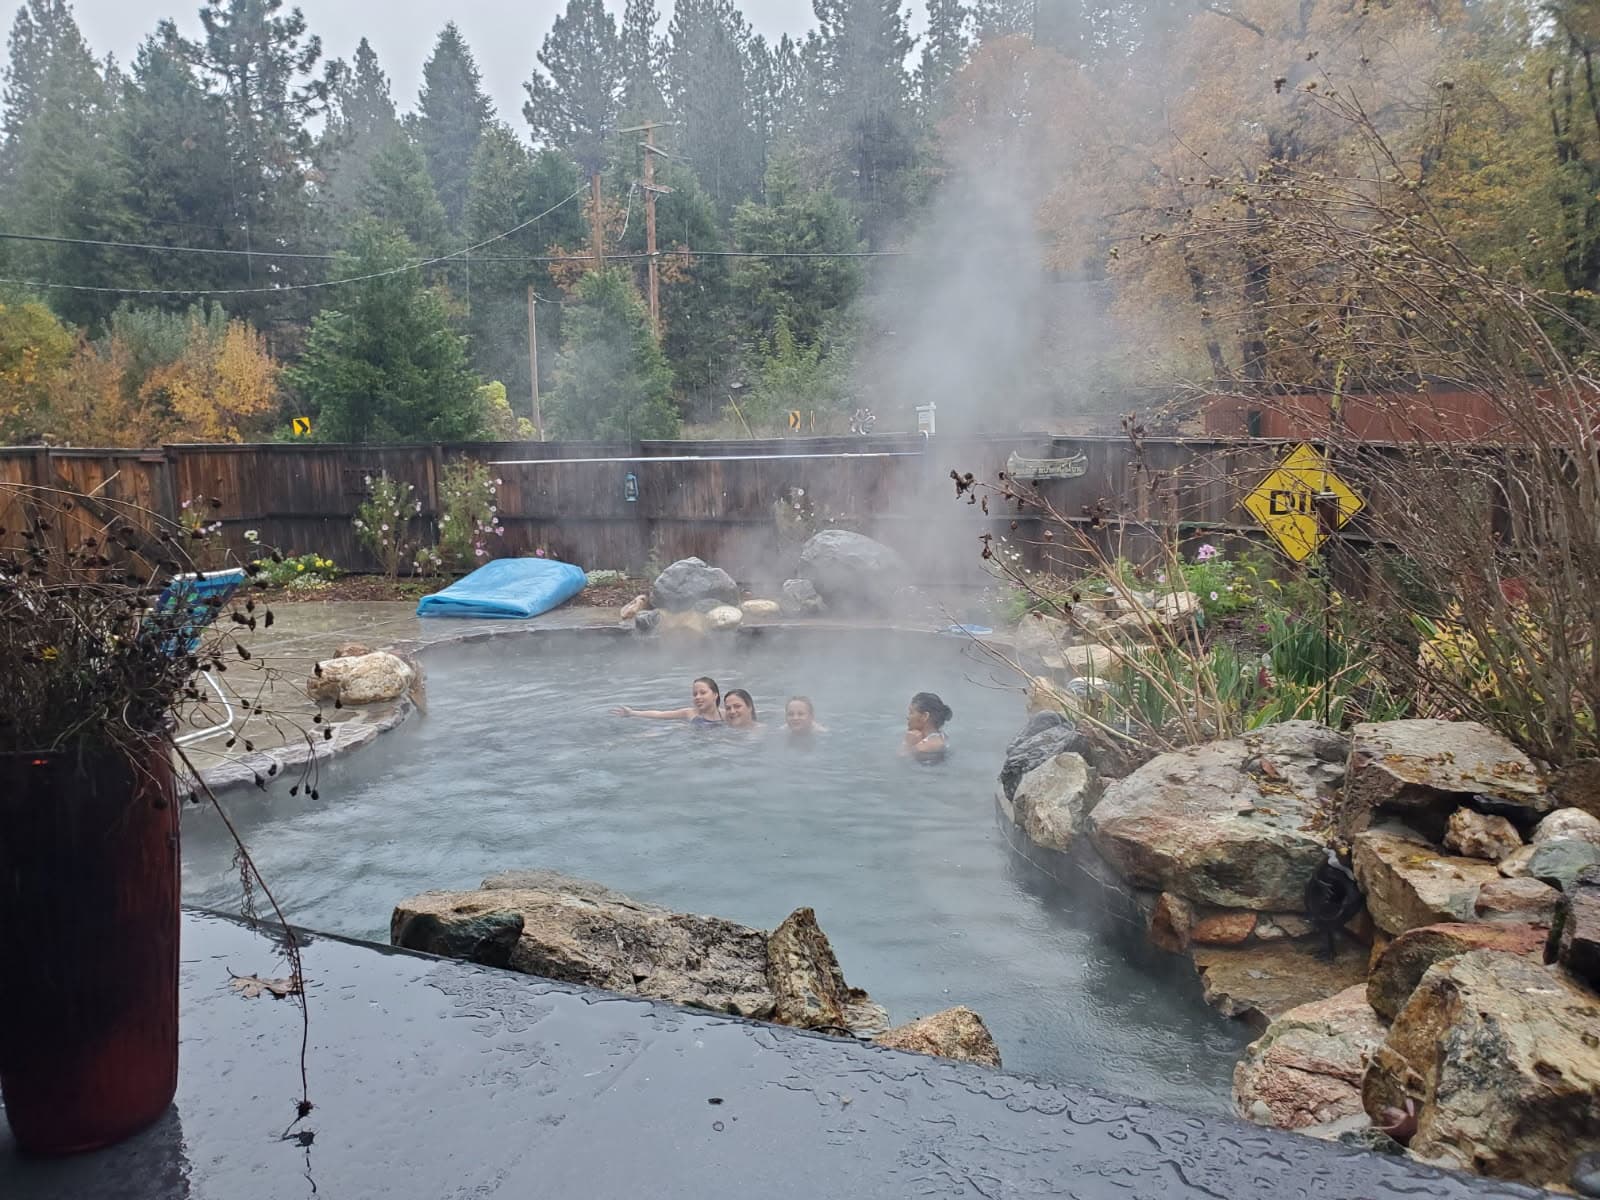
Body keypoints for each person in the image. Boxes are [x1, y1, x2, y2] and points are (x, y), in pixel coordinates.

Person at [613, 676, 723, 725]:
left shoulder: (726, 715)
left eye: (703, 693)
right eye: (695, 694)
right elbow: (660, 714)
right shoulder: (690, 713)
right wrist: (632, 713)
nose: (697, 697)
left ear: (715, 695)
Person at [900, 692, 952, 762]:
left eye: (911, 712)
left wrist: (908, 743)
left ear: (925, 716)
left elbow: (901, 761)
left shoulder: (926, 747)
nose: (908, 717)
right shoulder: (941, 736)